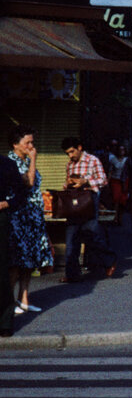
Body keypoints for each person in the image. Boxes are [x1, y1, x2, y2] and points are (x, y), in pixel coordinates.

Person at [8, 127, 53, 314]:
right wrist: (33, 159)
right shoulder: (11, 163)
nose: (31, 146)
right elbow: (28, 182)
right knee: (17, 262)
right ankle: (8, 303)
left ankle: (24, 298)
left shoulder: (25, 161)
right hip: (19, 218)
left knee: (30, 261)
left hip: (33, 217)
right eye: (27, 143)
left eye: (32, 142)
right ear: (16, 144)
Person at [61, 137, 117, 283]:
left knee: (93, 234)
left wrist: (86, 181)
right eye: (68, 153)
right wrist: (67, 185)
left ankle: (109, 261)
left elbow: (103, 180)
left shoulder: (93, 160)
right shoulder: (70, 165)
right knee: (71, 238)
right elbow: (68, 181)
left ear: (79, 147)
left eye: (72, 151)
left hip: (89, 202)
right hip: (74, 205)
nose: (70, 156)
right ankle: (72, 274)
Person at [0, 152, 25, 337]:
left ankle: (4, 322)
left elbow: (21, 193)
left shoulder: (6, 164)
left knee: (1, 270)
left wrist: (7, 203)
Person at [107, 143, 129, 223]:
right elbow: (110, 171)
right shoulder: (113, 159)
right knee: (116, 199)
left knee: (123, 200)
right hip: (115, 180)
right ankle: (115, 217)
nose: (121, 151)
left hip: (124, 181)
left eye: (123, 150)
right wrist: (108, 183)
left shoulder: (127, 160)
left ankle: (120, 217)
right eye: (120, 150)